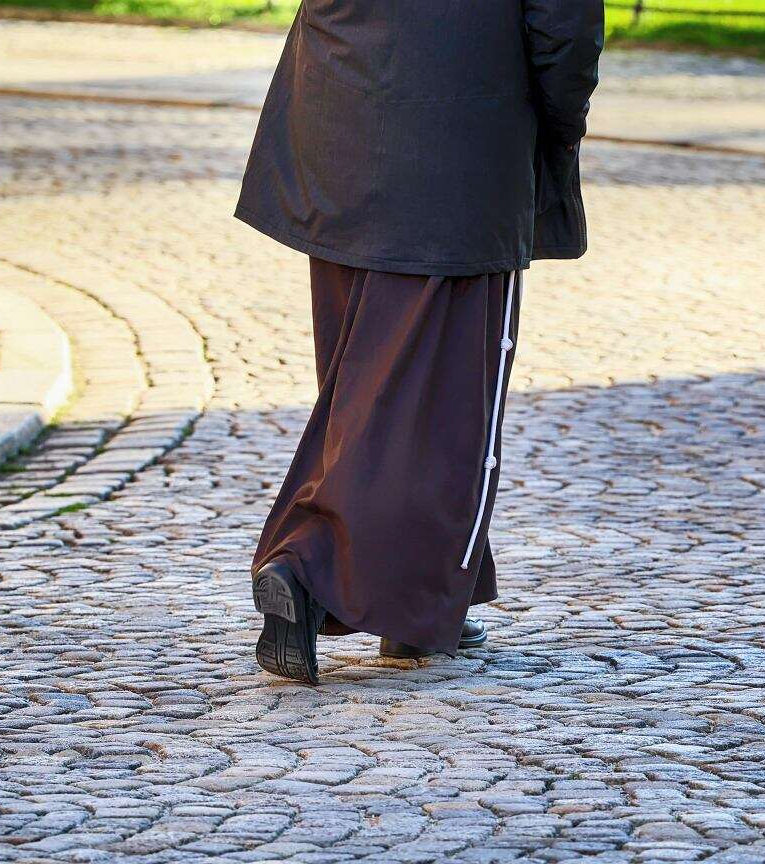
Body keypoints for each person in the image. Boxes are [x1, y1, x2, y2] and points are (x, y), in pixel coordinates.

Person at [236, 0, 604, 685]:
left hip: (338, 114)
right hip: (459, 137)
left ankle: (424, 597)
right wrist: (558, 117)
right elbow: (563, 25)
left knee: (370, 379)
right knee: (447, 393)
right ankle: (306, 564)